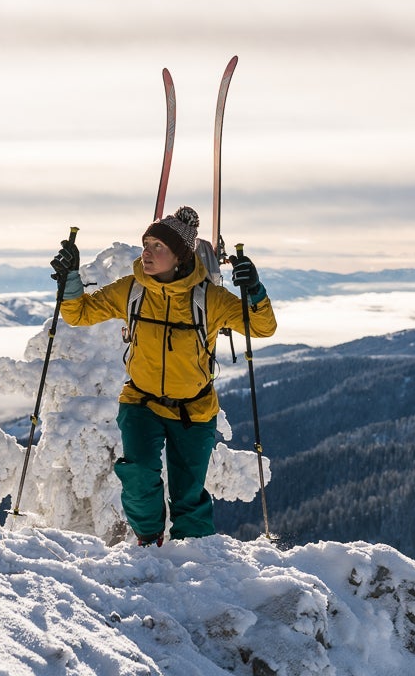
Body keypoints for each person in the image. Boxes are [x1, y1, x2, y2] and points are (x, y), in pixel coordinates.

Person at [51, 206, 276, 545]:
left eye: (158, 246)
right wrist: (69, 279)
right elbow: (79, 314)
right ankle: (149, 541)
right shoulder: (132, 290)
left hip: (194, 410)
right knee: (138, 474)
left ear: (180, 258)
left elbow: (262, 326)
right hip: (142, 403)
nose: (147, 252)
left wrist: (254, 290)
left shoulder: (208, 298)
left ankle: (194, 555)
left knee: (189, 498)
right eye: (146, 243)